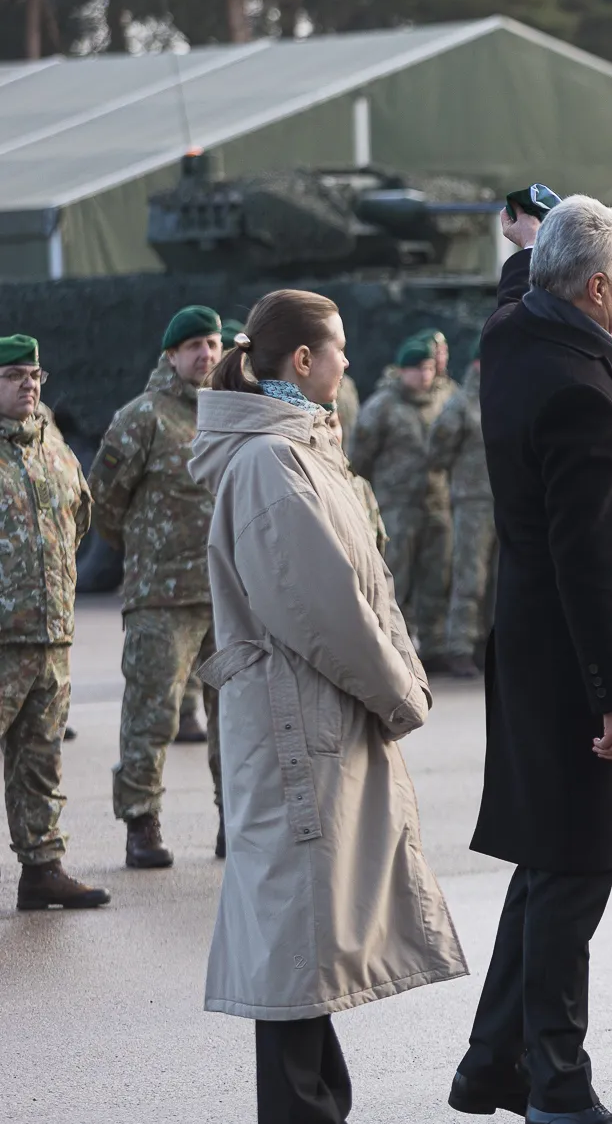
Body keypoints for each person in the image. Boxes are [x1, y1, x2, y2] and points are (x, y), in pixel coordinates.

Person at [189, 288, 465, 1123]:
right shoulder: (272, 462)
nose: (349, 360)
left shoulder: (300, 448)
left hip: (313, 720)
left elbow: (362, 583)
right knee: (295, 939)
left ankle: (314, 1105)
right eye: (337, 347)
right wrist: (400, 689)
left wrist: (398, 671)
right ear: (303, 360)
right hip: (298, 728)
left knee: (305, 944)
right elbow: (323, 610)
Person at [456, 195, 612, 1124]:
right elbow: (590, 561)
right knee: (574, 876)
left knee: (549, 863)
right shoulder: (580, 389)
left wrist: (528, 240)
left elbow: (520, 286)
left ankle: (491, 1066)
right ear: (593, 289)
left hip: (537, 652)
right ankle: (556, 1082)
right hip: (581, 667)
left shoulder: (512, 333)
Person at [89, 305, 226, 867]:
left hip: (228, 595)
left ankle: (236, 820)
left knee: (235, 719)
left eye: (213, 344)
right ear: (171, 355)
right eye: (194, 345)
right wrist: (148, 551)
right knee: (152, 715)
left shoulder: (231, 411)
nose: (207, 354)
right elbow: (102, 501)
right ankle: (141, 823)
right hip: (162, 598)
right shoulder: (142, 417)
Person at [0, 336, 109, 912]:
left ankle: (42, 870)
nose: (28, 384)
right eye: (14, 375)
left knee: (40, 760)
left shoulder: (53, 446)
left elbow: (79, 516)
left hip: (49, 635)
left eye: (34, 375)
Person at [349, 337, 454, 658]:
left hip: (436, 502)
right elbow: (359, 459)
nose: (424, 376)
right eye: (417, 369)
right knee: (396, 580)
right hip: (397, 507)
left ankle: (435, 647)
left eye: (428, 368)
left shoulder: (445, 400)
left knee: (437, 577)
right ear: (402, 371)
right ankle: (396, 649)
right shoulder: (382, 406)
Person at [427, 347, 495, 680]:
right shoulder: (463, 402)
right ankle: (460, 646)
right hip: (472, 501)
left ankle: (490, 643)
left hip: (505, 500)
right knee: (471, 576)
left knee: (500, 578)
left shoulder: (508, 392)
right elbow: (437, 450)